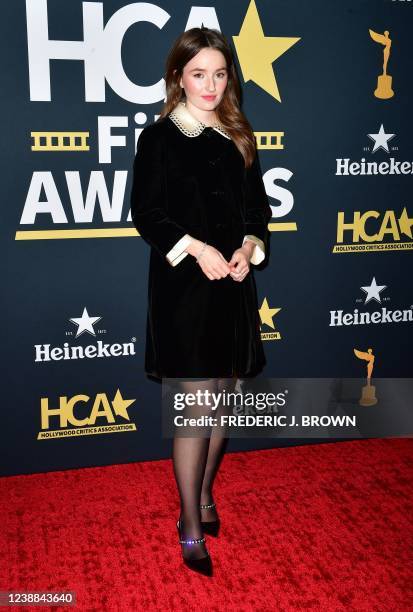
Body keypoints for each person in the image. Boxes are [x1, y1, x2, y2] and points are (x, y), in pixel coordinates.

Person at [130, 27, 272, 576]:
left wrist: (248, 246)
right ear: (177, 78)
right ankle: (190, 521)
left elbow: (257, 211)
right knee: (196, 407)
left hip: (234, 286)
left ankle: (207, 493)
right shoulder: (161, 136)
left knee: (227, 397)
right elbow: (148, 213)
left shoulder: (239, 133)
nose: (210, 84)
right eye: (198, 74)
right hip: (185, 290)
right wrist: (196, 249)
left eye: (219, 73)